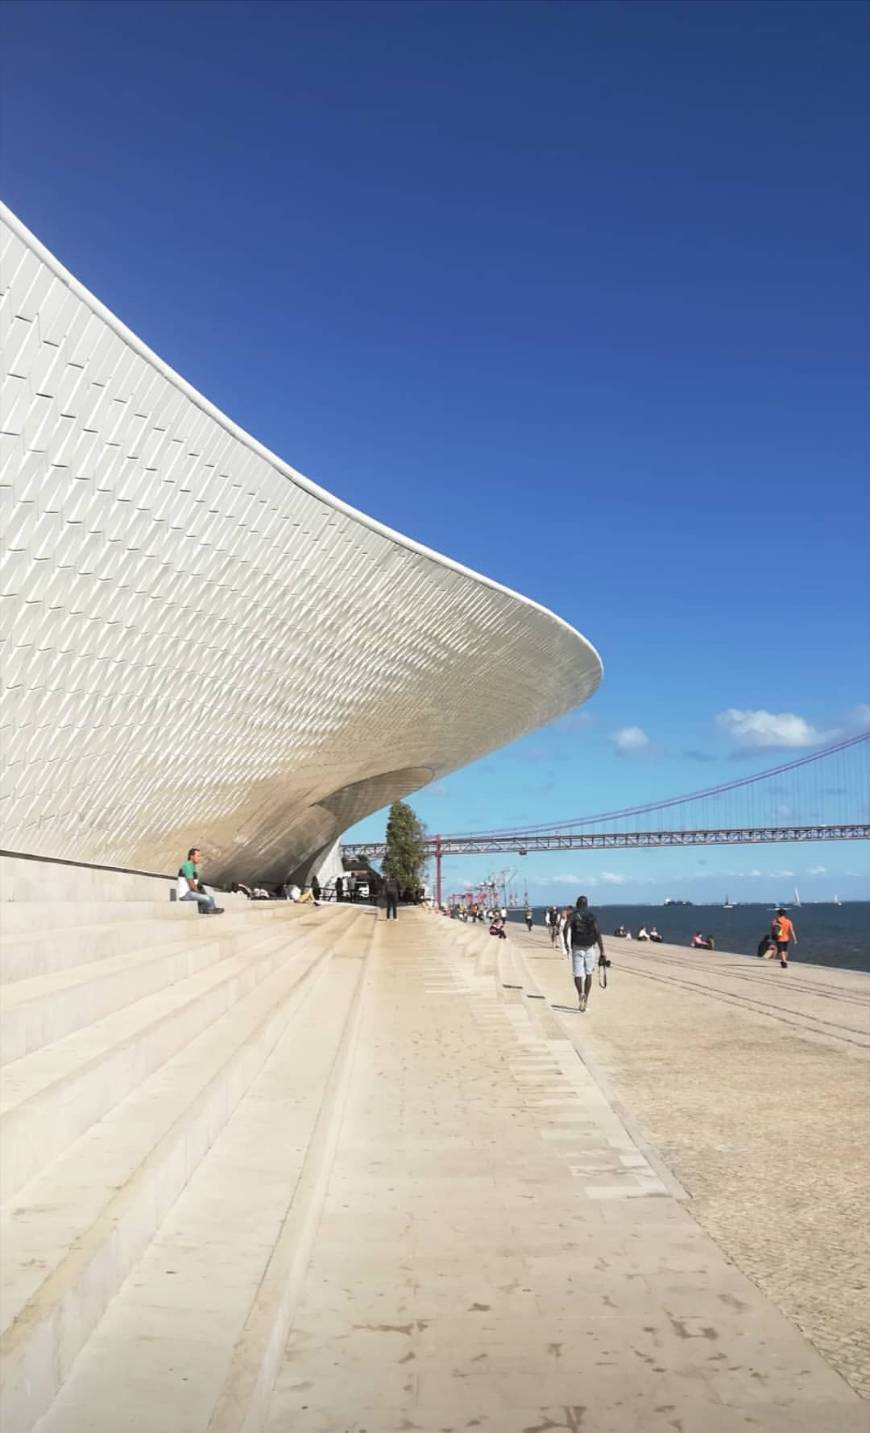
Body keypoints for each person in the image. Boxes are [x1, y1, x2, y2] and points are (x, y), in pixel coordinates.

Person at [563, 895, 606, 1014]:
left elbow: (565, 928)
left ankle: (580, 994)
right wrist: (602, 950)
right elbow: (597, 933)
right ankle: (586, 997)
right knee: (588, 973)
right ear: (587, 904)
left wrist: (566, 944)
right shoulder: (591, 916)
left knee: (577, 974)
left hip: (577, 947)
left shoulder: (573, 915)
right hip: (590, 947)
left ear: (577, 904)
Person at [178, 848, 224, 915]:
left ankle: (205, 909)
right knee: (208, 899)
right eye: (198, 856)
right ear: (191, 856)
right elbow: (192, 886)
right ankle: (211, 909)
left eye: (200, 856)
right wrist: (200, 894)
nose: (200, 858)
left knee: (206, 896)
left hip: (190, 892)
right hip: (185, 894)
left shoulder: (192, 867)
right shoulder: (187, 866)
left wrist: (201, 892)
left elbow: (196, 883)